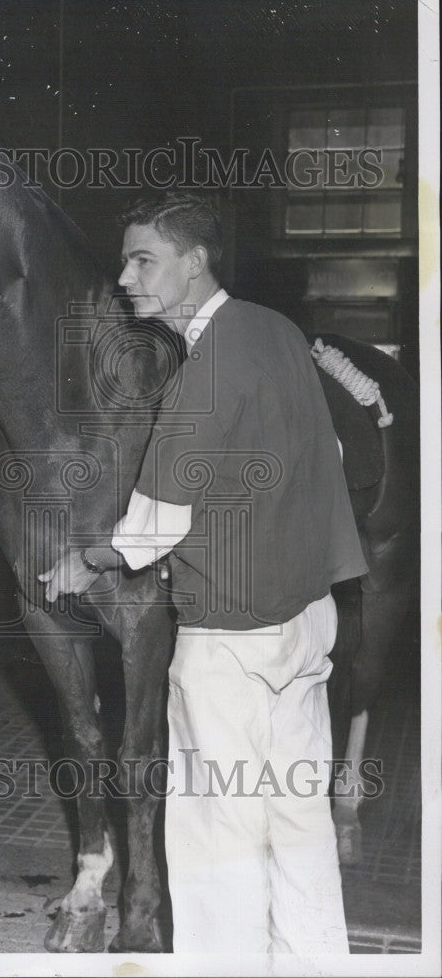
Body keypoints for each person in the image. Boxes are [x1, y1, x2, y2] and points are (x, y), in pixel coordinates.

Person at [39, 192, 367, 957]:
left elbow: (152, 529)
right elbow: (328, 459)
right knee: (295, 818)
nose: (123, 277)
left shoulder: (200, 373)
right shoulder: (276, 329)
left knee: (216, 839)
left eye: (142, 259)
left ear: (194, 265)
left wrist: (82, 558)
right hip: (307, 619)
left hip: (228, 643)